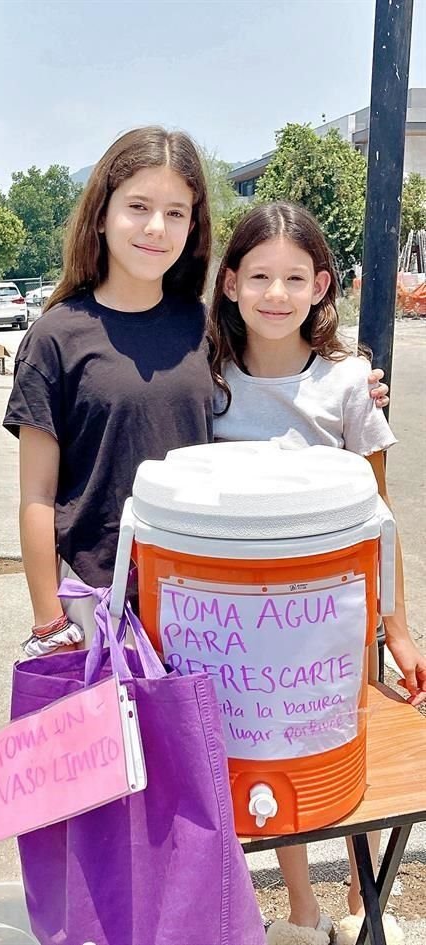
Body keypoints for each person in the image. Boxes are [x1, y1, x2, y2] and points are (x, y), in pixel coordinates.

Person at [3, 128, 388, 658]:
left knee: (197, 741)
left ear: (193, 224)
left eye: (176, 212)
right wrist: (48, 621)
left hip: (200, 594)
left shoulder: (200, 327)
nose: (156, 227)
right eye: (138, 205)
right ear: (101, 213)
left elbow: (274, 359)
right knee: (114, 742)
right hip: (96, 600)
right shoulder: (54, 338)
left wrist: (351, 375)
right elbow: (37, 496)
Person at [208, 200, 426, 945]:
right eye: (260, 275)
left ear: (322, 286)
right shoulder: (208, 383)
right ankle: (301, 910)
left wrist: (397, 628)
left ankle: (363, 906)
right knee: (277, 760)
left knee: (348, 748)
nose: (276, 293)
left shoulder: (345, 384)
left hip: (336, 616)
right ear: (230, 282)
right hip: (245, 622)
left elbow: (381, 511)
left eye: (293, 277)